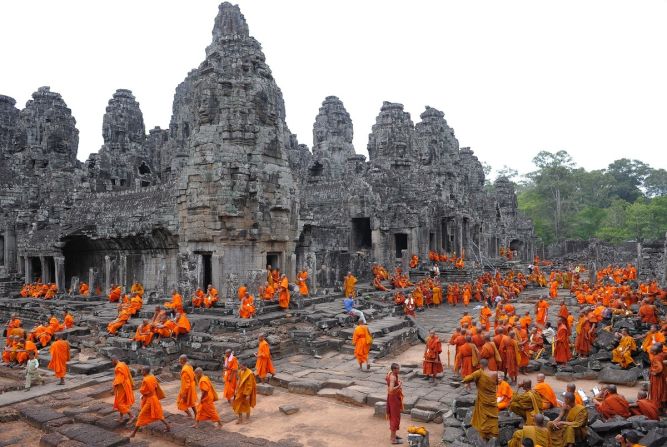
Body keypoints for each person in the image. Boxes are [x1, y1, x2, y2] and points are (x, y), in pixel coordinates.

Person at [461, 358, 498, 441]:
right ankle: (493, 434)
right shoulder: (495, 373)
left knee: (483, 417)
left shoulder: (479, 373)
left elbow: (466, 379)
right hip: (492, 399)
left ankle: (484, 435)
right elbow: (497, 383)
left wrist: (466, 382)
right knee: (492, 417)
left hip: (483, 400)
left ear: (481, 365)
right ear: (487, 364)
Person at [130, 366, 170, 437]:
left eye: (142, 371)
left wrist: (142, 393)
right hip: (153, 398)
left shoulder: (146, 380)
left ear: (145, 372)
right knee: (157, 413)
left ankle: (133, 433)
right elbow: (155, 387)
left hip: (150, 399)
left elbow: (143, 390)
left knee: (141, 415)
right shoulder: (152, 377)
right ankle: (167, 425)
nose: (141, 372)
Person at [111, 356, 135, 422]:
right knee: (122, 401)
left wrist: (113, 388)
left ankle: (132, 415)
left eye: (112, 361)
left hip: (122, 386)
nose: (111, 362)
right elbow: (129, 374)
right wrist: (132, 383)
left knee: (119, 403)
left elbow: (118, 380)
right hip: (126, 384)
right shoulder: (123, 364)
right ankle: (121, 418)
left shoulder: (118, 367)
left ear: (114, 360)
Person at [386, 363, 404, 445]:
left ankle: (394, 435)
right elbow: (391, 389)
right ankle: (393, 439)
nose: (399, 370)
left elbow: (386, 379)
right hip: (393, 399)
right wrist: (399, 385)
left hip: (393, 398)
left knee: (395, 417)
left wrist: (398, 383)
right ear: (394, 370)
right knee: (395, 418)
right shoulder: (393, 377)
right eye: (397, 369)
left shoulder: (390, 373)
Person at [649, 343, 667, 409]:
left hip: (657, 378)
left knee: (657, 391)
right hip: (662, 376)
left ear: (655, 352)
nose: (650, 351)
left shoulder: (656, 358)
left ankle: (657, 406)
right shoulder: (662, 355)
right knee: (663, 389)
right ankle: (663, 404)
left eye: (651, 350)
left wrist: (654, 372)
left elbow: (659, 368)